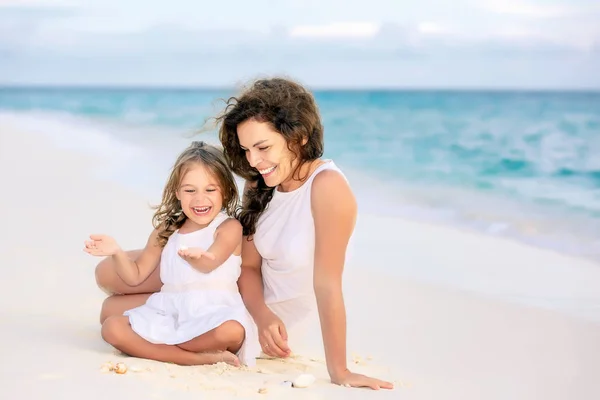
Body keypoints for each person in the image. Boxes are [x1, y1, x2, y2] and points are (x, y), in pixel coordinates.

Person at [94, 77, 393, 390]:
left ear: (300, 136)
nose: (253, 161)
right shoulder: (260, 181)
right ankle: (177, 330)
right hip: (237, 286)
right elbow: (248, 267)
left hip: (264, 316)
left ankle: (181, 348)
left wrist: (339, 371)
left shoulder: (327, 187)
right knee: (107, 282)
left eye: (263, 147)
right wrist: (260, 310)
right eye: (247, 149)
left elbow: (328, 283)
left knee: (113, 312)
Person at [85, 141, 259, 367]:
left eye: (210, 189)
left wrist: (201, 258)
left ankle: (161, 348)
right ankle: (194, 358)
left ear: (224, 191)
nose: (199, 199)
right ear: (177, 192)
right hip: (170, 311)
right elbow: (135, 277)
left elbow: (212, 260)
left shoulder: (228, 226)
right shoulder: (166, 230)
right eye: (190, 190)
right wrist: (117, 252)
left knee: (233, 331)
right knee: (112, 328)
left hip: (214, 312)